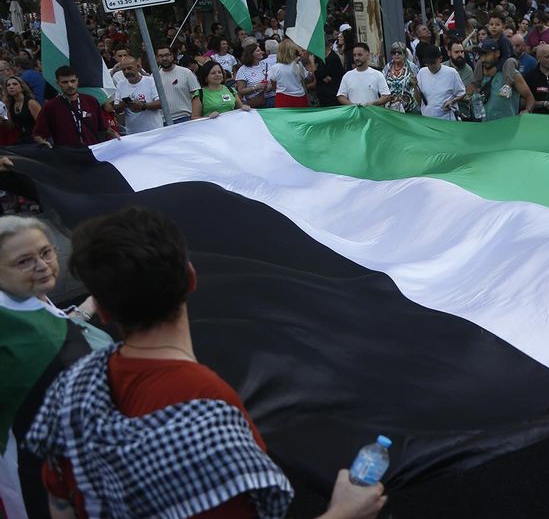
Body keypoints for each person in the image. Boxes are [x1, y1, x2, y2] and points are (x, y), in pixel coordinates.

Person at [25, 207, 385, 519]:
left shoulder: (70, 389)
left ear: (101, 310)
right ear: (191, 278)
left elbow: (61, 504)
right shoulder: (207, 408)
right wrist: (345, 511)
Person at [0, 216, 111, 519]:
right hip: (42, 475)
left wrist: (85, 311)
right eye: (24, 261)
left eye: (46, 252)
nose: (42, 265)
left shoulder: (26, 298)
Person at [31, 67, 119, 148]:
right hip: (67, 155)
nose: (70, 85)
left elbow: (104, 127)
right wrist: (46, 145)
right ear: (58, 83)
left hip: (92, 151)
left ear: (77, 81)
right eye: (65, 82)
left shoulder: (91, 101)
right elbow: (38, 134)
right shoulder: (51, 106)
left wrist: (115, 135)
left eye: (72, 81)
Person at [469, 39, 534, 121]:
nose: (482, 59)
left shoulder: (511, 73)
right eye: (481, 55)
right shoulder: (480, 72)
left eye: (486, 54)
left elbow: (529, 98)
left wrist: (527, 111)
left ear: (497, 54)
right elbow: (470, 93)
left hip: (506, 128)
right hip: (483, 127)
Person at [112, 59, 163, 134]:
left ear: (138, 67)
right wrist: (125, 104)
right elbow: (116, 108)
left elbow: (161, 103)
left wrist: (143, 106)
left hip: (154, 130)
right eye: (123, 70)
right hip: (133, 133)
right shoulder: (121, 85)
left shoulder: (150, 81)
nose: (126, 72)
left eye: (129, 68)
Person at [155, 45, 202, 125]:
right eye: (161, 56)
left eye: (167, 55)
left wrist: (194, 118)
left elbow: (196, 97)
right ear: (156, 58)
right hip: (164, 122)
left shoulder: (186, 73)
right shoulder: (154, 77)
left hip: (186, 118)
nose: (164, 58)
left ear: (172, 55)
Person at [416, 46, 466, 120]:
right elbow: (418, 100)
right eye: (427, 63)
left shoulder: (451, 72)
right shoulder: (422, 72)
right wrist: (414, 86)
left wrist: (452, 101)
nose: (430, 66)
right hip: (427, 119)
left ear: (440, 59)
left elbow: (462, 93)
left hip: (447, 119)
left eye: (433, 63)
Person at [267, 38, 313, 108]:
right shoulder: (299, 65)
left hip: (283, 98)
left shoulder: (275, 67)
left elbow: (274, 86)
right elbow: (307, 79)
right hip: (300, 97)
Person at [382, 42, 420, 114]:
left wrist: (414, 83)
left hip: (410, 108)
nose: (396, 54)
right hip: (391, 109)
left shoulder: (412, 67)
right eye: (394, 52)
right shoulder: (386, 68)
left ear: (404, 53)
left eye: (399, 52)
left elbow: (418, 86)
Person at [2, 76, 41, 143]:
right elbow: (11, 126)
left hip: (35, 139)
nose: (11, 87)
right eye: (8, 85)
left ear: (22, 87)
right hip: (21, 139)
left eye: (15, 84)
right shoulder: (10, 105)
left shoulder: (31, 103)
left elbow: (41, 123)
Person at [234, 43, 271, 109]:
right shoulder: (243, 70)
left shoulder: (265, 64)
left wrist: (270, 85)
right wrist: (256, 87)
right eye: (258, 51)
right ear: (251, 54)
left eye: (260, 50)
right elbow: (241, 91)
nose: (262, 52)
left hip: (270, 99)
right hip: (256, 104)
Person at [316, 34, 347, 107]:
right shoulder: (320, 58)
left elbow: (320, 74)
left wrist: (313, 66)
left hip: (331, 95)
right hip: (322, 95)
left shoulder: (333, 58)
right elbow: (320, 76)